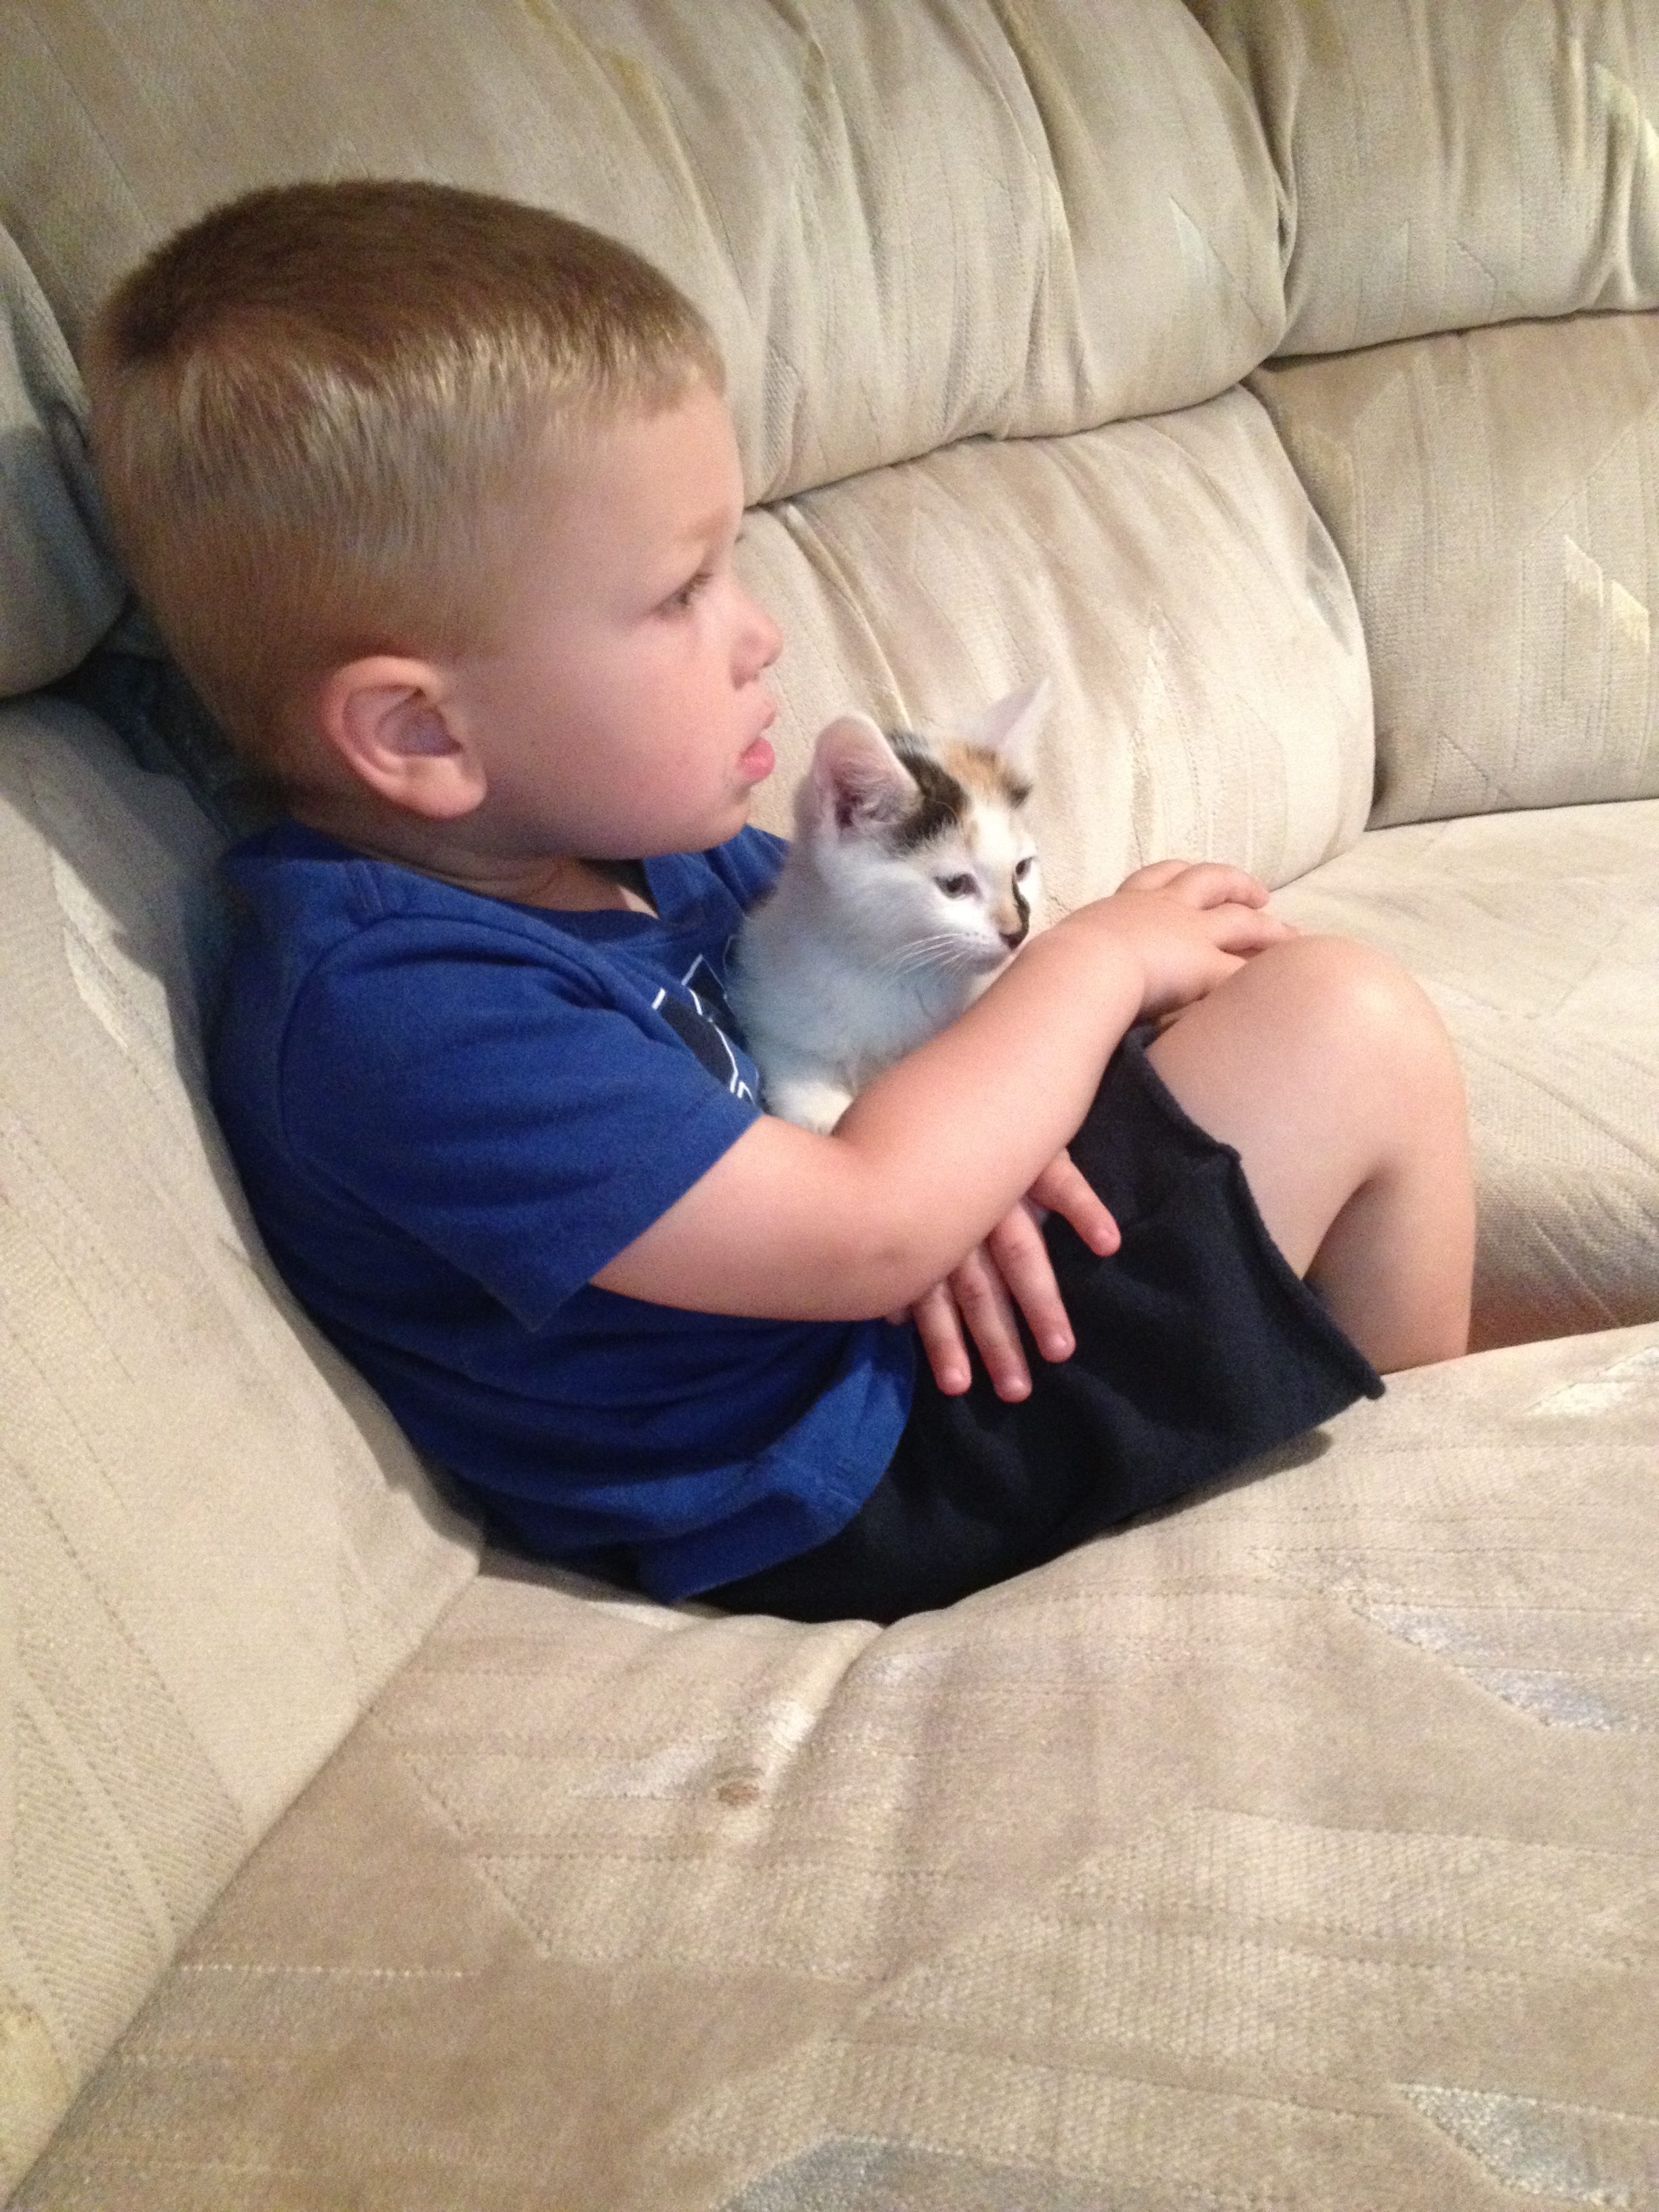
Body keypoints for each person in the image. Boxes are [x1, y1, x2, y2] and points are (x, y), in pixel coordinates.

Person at [85, 180, 1475, 1624]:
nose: (761, 634)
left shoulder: (648, 853)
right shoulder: (401, 1008)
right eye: (680, 592)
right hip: (831, 1482)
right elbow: (865, 1227)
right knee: (1347, 1028)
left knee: (1260, 996)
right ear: (423, 735)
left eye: (736, 561)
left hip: (916, 1340)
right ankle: (1439, 1513)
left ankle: (1404, 1450)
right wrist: (1098, 962)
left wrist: (983, 1147)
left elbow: (909, 1067)